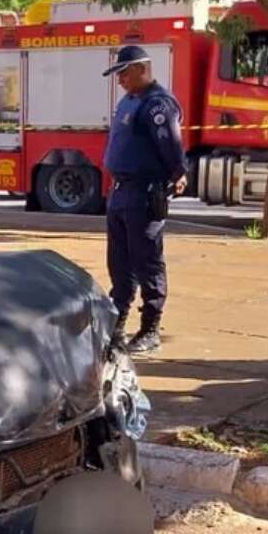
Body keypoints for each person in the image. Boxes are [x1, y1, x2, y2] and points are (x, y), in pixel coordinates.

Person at [102, 45, 188, 354]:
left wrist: (179, 172)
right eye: (118, 74)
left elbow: (171, 145)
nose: (120, 79)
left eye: (124, 72)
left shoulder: (157, 105)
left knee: (147, 262)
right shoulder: (129, 101)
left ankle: (150, 328)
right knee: (119, 265)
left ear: (142, 69)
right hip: (120, 192)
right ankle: (117, 327)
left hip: (144, 193)